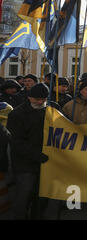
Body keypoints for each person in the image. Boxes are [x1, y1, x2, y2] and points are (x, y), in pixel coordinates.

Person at [6, 83, 56, 219]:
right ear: (29, 97)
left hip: (45, 162)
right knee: (23, 196)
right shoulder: (17, 114)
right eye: (37, 99)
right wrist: (37, 156)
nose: (40, 102)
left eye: (44, 99)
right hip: (25, 164)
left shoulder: (52, 110)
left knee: (42, 197)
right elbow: (16, 142)